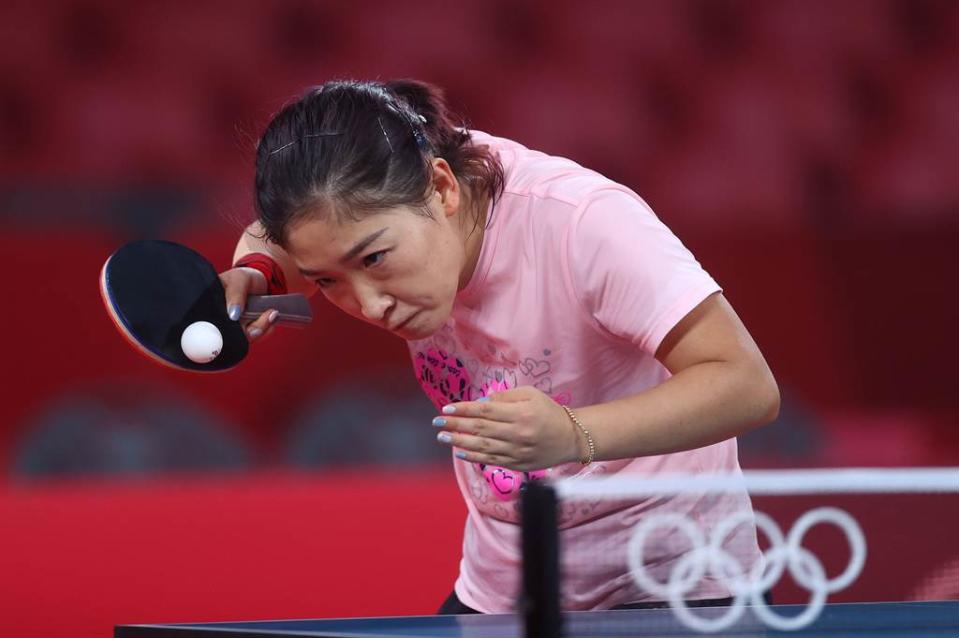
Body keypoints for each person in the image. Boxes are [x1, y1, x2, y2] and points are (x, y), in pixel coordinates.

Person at [221, 79, 780, 613]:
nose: (370, 307)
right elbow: (281, 239)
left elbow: (746, 384)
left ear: (441, 188)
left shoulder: (582, 224)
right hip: (507, 588)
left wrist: (573, 434)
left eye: (374, 260)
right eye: (327, 282)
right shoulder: (372, 199)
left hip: (678, 580)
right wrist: (257, 270)